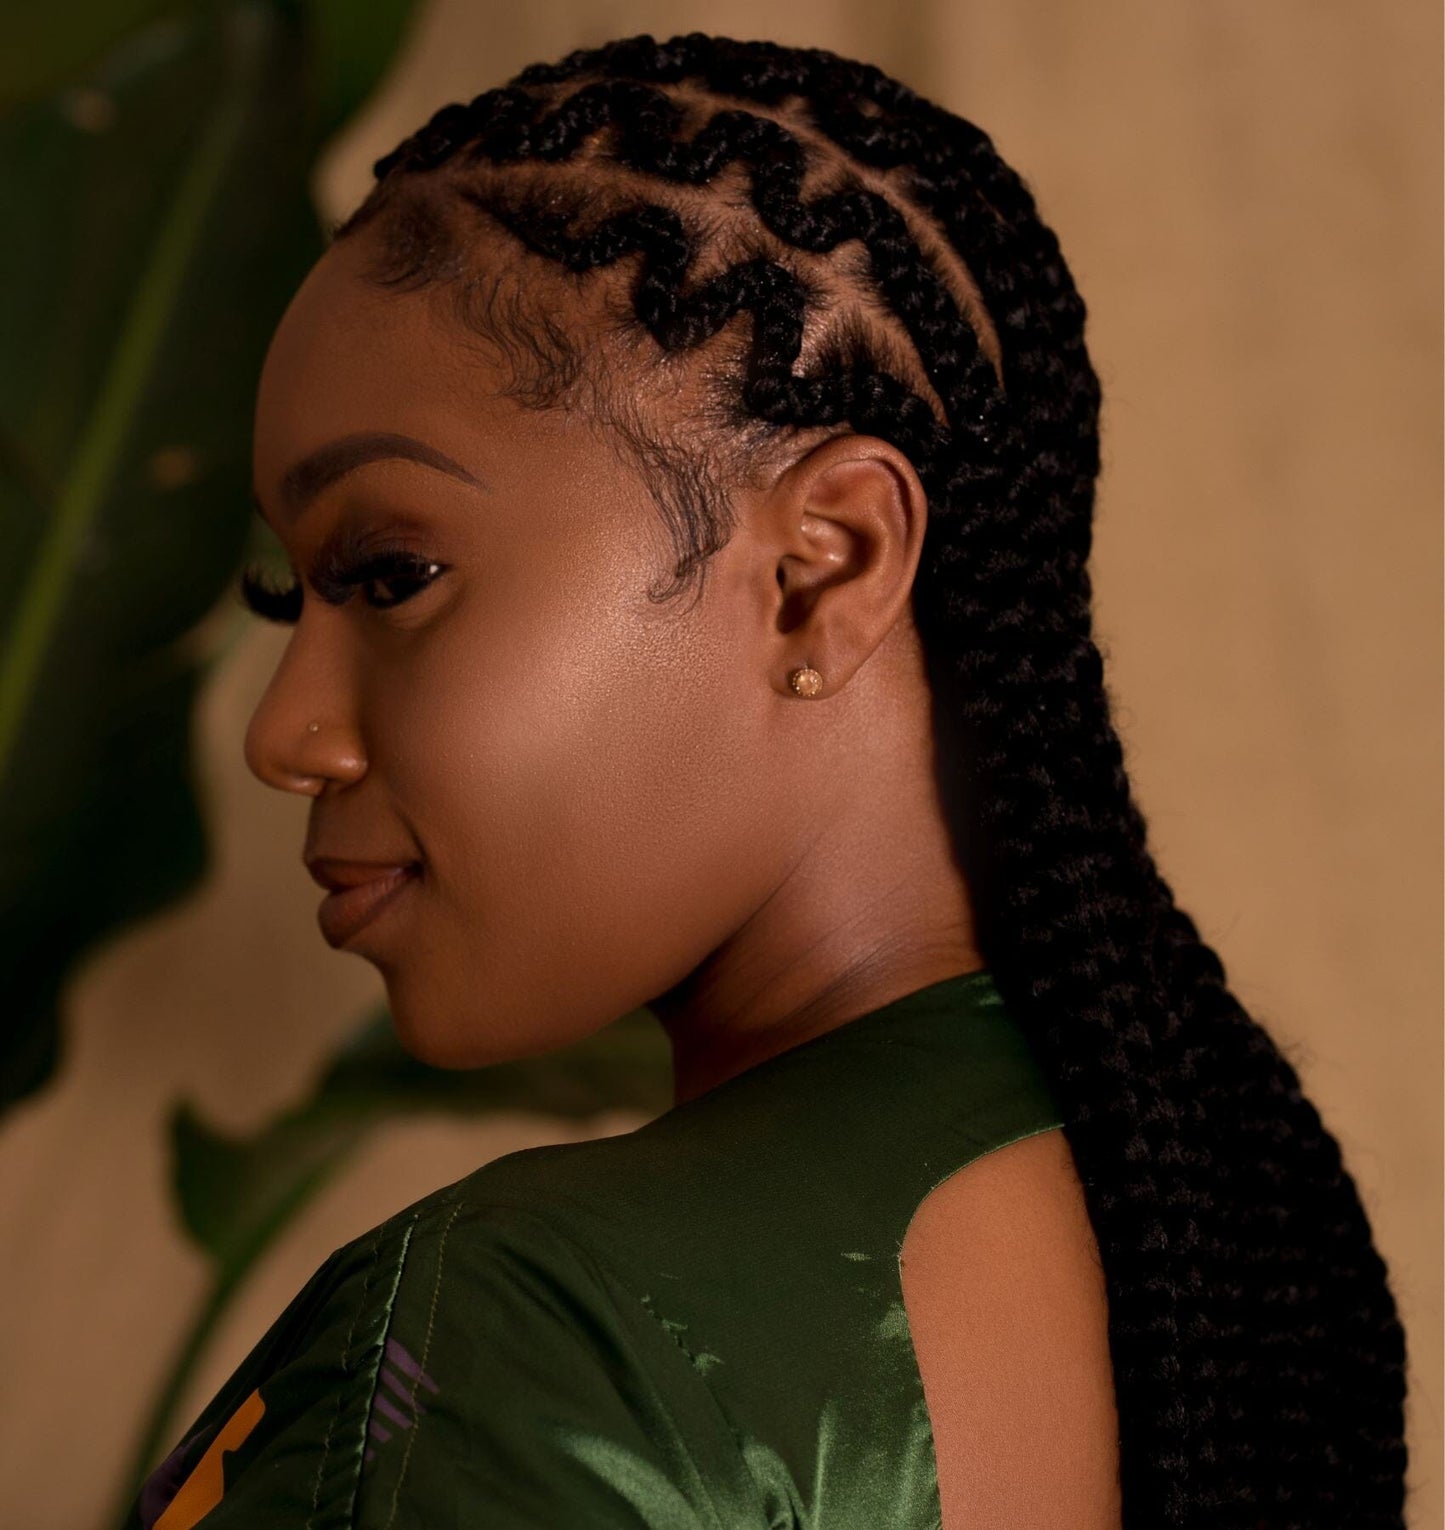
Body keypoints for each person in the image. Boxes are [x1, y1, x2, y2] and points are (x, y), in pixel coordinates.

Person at [126, 32, 1409, 1529]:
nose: (285, 734)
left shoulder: (526, 1337)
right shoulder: (1222, 1246)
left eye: (389, 572)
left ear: (823, 569)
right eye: (292, 602)